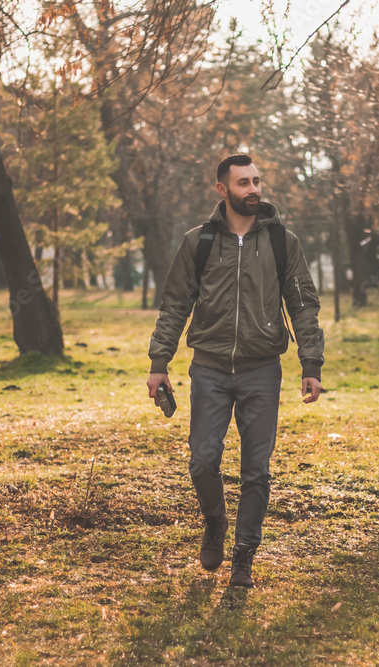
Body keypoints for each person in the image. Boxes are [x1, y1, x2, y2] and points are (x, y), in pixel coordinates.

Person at [146, 154, 325, 587]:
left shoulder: (283, 242)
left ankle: (244, 555)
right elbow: (175, 306)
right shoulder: (199, 242)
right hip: (208, 369)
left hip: (262, 370)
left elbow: (302, 304)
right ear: (222, 189)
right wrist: (158, 363)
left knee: (256, 471)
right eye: (243, 182)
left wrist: (311, 362)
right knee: (202, 461)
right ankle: (215, 522)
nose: (254, 189)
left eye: (257, 180)